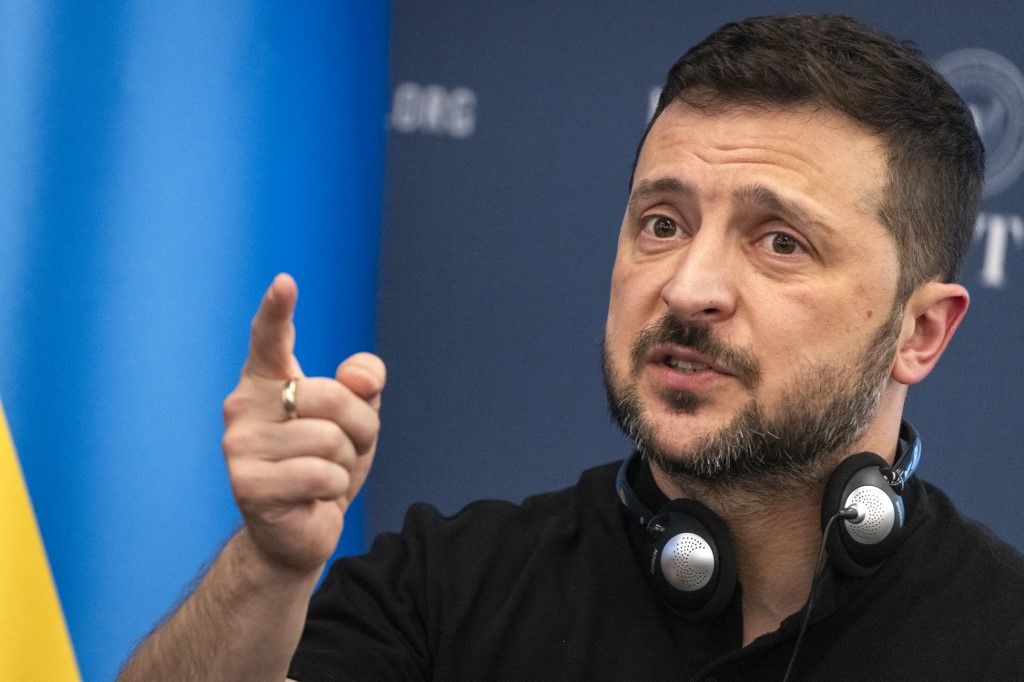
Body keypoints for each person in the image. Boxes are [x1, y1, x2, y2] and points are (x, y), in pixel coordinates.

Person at [120, 14, 1024, 681]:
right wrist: (269, 568)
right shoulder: (443, 591)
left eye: (779, 242)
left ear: (921, 332)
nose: (686, 287)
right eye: (662, 224)